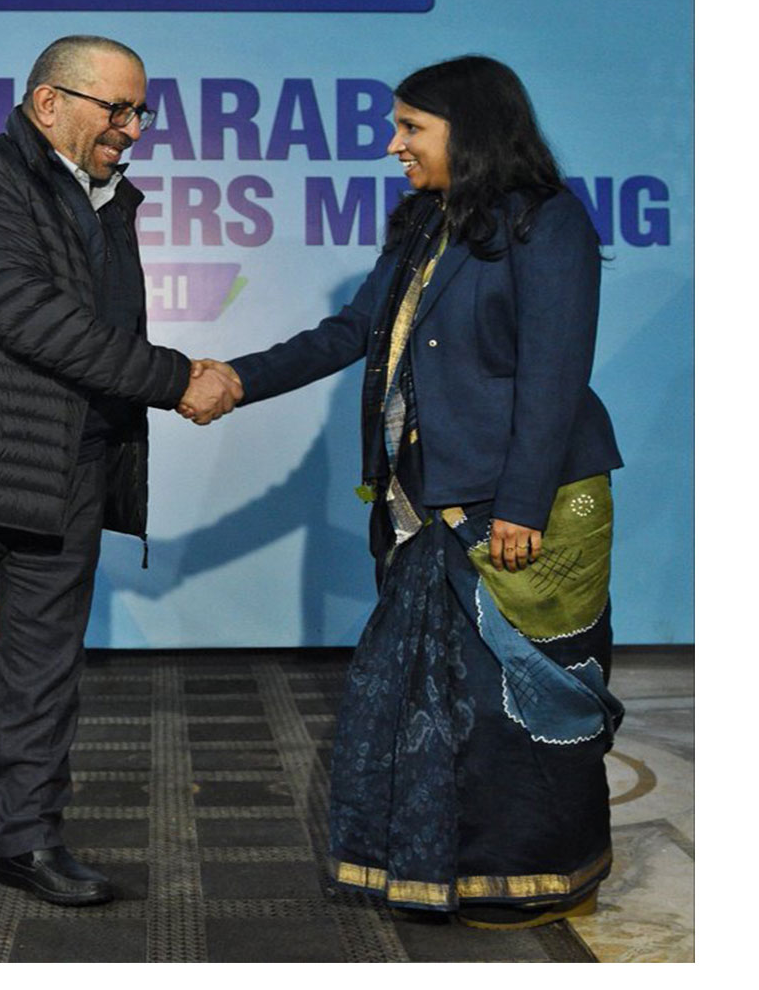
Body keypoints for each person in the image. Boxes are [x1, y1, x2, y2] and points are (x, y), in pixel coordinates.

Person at [199, 55, 624, 928]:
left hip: (518, 508)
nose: (393, 146)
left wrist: (520, 505)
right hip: (431, 504)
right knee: (434, 709)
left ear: (467, 130)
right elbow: (353, 331)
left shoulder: (550, 224)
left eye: (410, 129)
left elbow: (553, 374)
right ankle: (444, 869)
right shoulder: (426, 225)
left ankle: (534, 877)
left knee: (517, 715)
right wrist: (234, 379)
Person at [0, 35, 241, 927]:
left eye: (140, 110)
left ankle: (28, 840)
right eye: (115, 108)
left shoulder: (107, 198)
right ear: (47, 103)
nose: (131, 127)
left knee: (44, 675)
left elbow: (90, 334)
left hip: (62, 474)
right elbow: (32, 319)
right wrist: (179, 378)